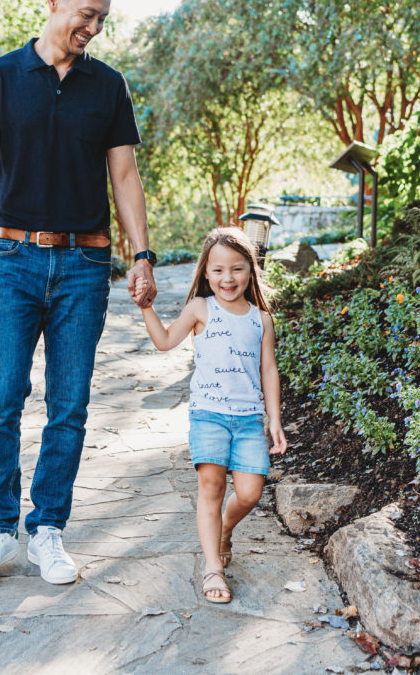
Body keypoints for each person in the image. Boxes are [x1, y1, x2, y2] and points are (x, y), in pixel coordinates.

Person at [0, 0, 157, 588]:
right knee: (1, 398)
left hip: (86, 263)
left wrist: (141, 255)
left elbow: (124, 177)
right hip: (15, 260)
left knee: (69, 402)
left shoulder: (108, 86)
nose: (92, 27)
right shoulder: (1, 76)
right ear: (54, 0)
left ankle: (47, 530)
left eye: (101, 19)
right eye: (85, 13)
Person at [134, 226, 287, 603]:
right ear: (205, 272)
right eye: (218, 270)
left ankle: (223, 531)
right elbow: (165, 341)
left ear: (251, 271)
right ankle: (212, 569)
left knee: (250, 493)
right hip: (209, 415)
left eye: (236, 269)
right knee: (212, 488)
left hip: (250, 419)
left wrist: (276, 420)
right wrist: (146, 308)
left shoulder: (261, 319)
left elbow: (269, 370)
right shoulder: (201, 308)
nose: (227, 278)